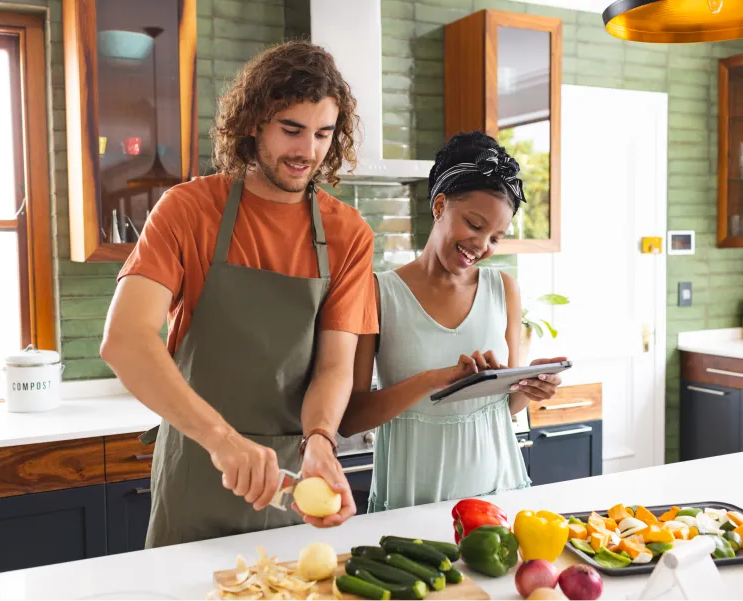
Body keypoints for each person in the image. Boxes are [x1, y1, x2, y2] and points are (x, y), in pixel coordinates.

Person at [101, 40, 379, 547]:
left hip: (292, 482)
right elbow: (124, 340)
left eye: (322, 134)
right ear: (253, 123)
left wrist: (320, 441)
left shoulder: (349, 233)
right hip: (199, 463)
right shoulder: (187, 210)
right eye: (291, 130)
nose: (308, 152)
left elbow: (335, 365)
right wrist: (222, 440)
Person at [339, 131, 567, 512]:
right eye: (475, 225)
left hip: (499, 493)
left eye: (496, 237)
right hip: (410, 501)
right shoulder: (379, 293)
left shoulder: (504, 290)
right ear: (440, 205)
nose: (482, 245)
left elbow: (502, 406)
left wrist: (530, 386)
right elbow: (350, 419)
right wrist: (434, 379)